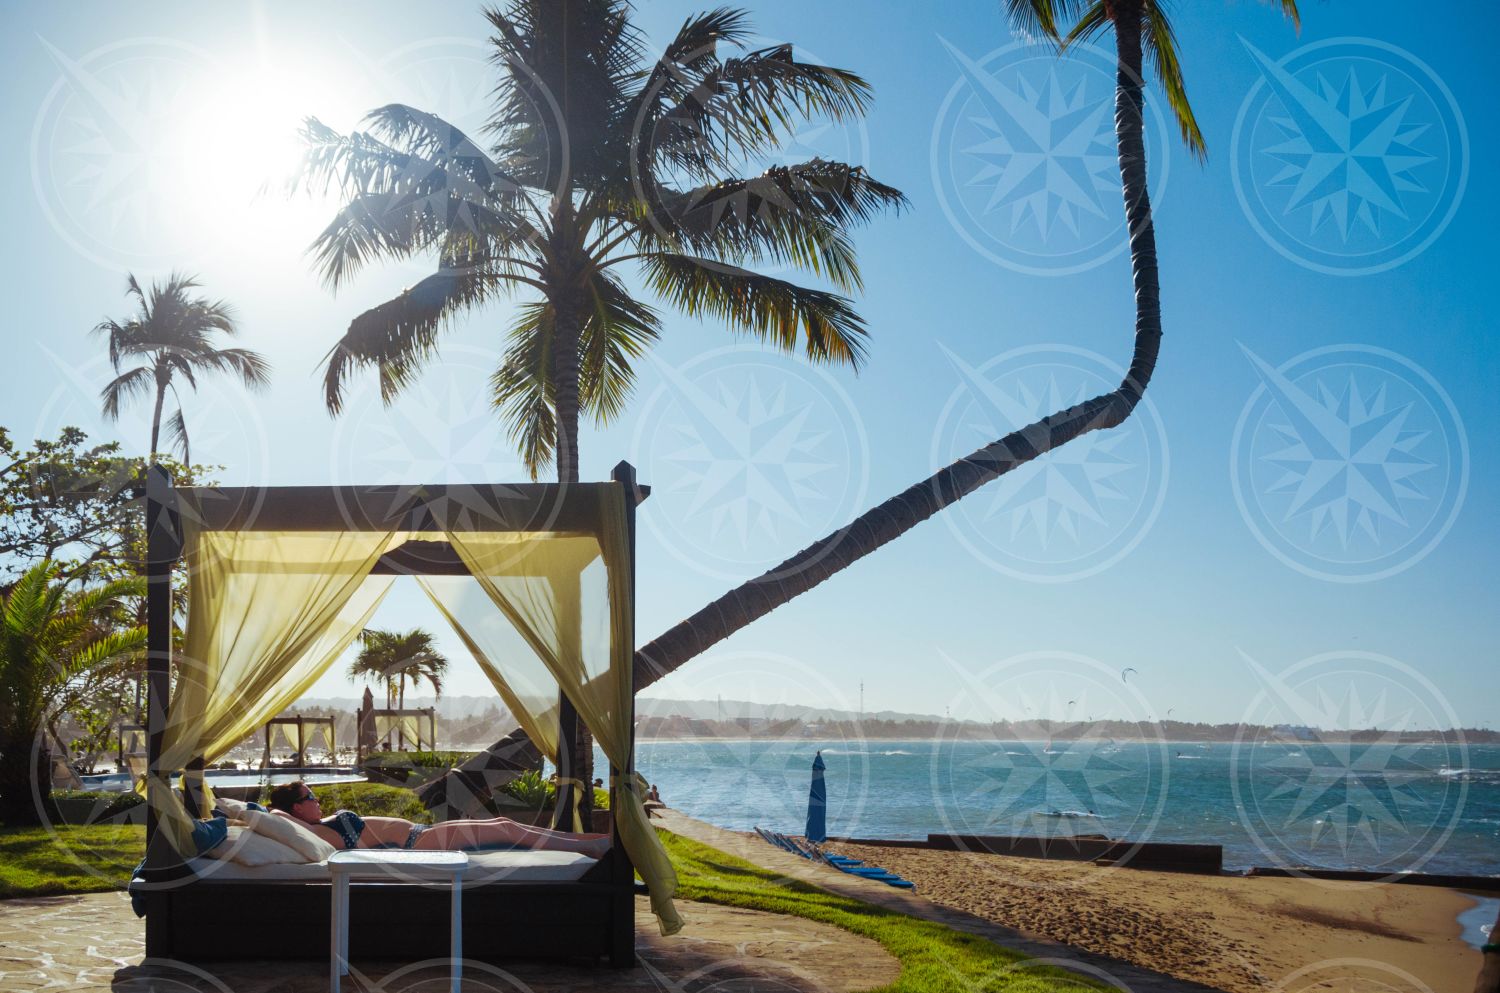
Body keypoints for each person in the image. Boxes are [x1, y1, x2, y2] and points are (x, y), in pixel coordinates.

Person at [265, 781, 611, 858]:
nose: (318, 799)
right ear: (296, 808)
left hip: (422, 832)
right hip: (418, 843)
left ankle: (589, 841)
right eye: (311, 797)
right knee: (506, 829)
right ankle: (595, 848)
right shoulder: (314, 831)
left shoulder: (317, 824)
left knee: (507, 824)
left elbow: (277, 813)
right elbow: (271, 815)